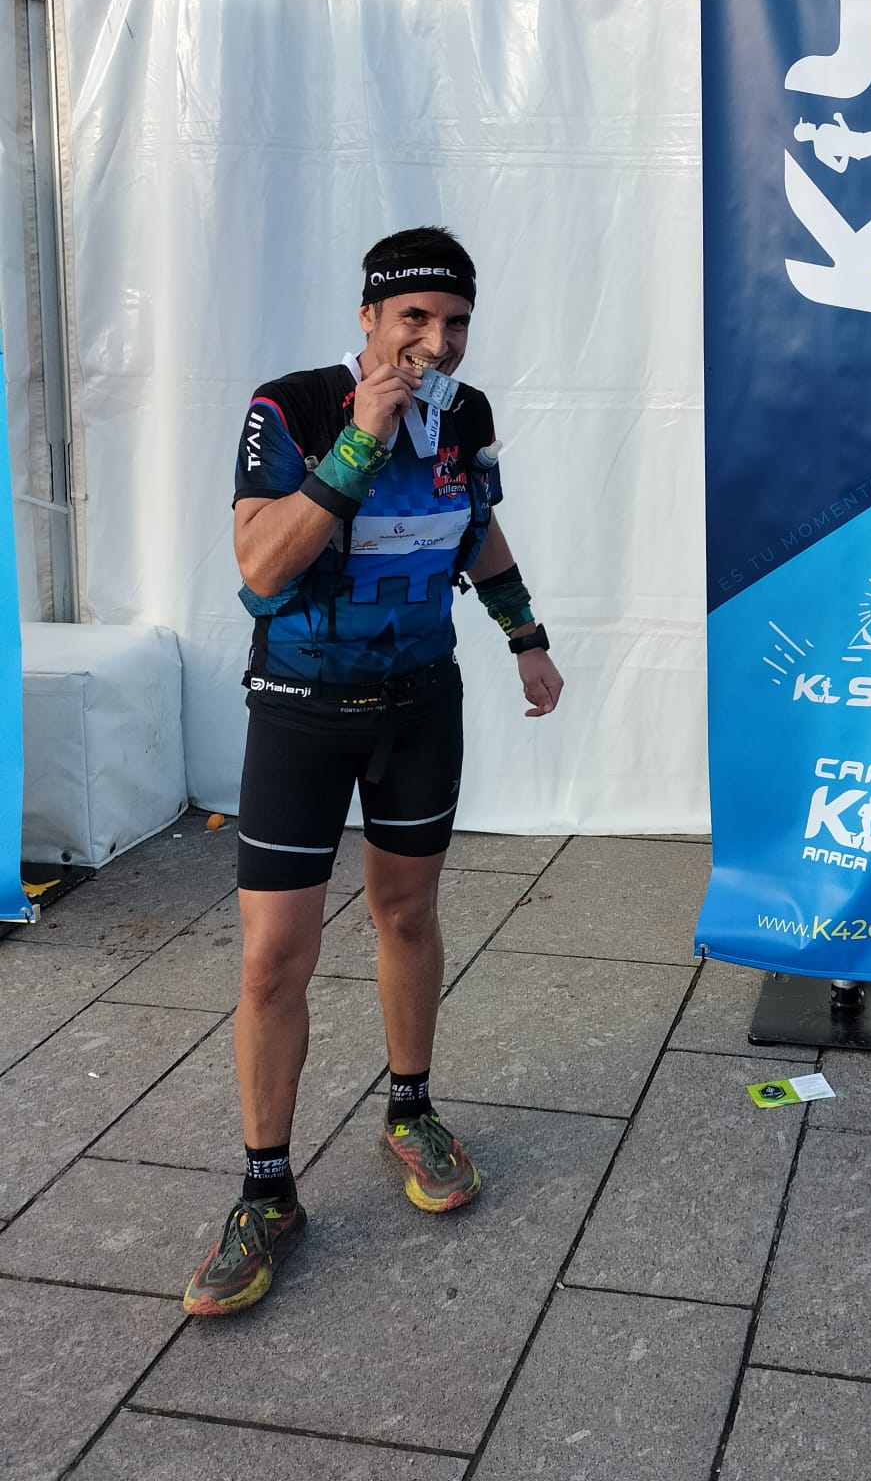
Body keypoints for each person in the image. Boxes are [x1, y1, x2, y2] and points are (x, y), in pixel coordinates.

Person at [183, 225, 563, 1316]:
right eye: (414, 319)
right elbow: (261, 570)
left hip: (418, 707)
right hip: (301, 714)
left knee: (406, 913)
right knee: (273, 958)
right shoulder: (292, 406)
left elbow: (479, 528)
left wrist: (526, 635)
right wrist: (358, 441)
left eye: (455, 322)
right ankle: (267, 1190)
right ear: (368, 317)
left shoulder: (468, 414)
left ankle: (410, 1110)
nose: (436, 343)